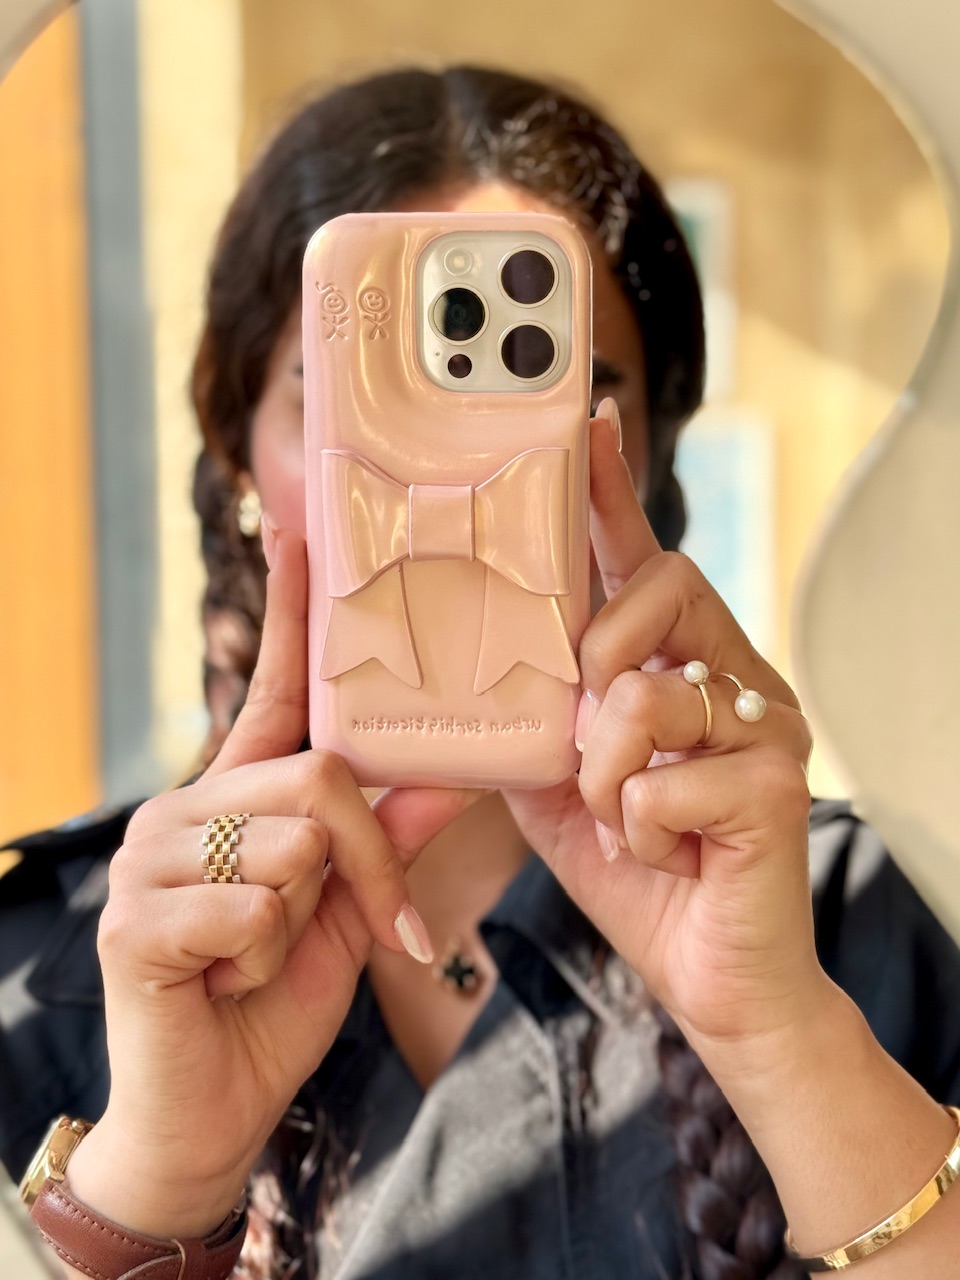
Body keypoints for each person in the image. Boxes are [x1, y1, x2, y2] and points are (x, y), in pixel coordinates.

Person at [2, 65, 959, 1280]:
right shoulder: (52, 969)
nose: (448, 484)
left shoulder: (863, 919)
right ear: (235, 454)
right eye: (353, 402)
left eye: (543, 393)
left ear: (646, 458)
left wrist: (781, 1037)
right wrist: (151, 1178)